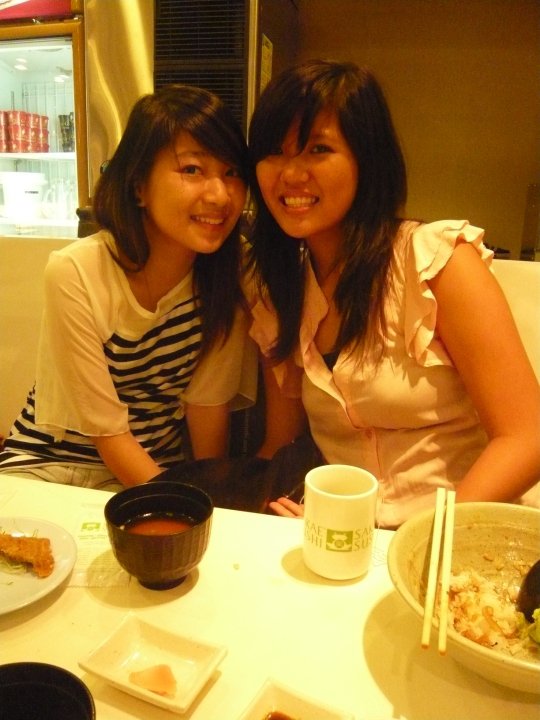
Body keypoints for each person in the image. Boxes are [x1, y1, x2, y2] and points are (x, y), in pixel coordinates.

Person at [245, 59, 540, 528]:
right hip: (345, 537)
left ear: (367, 159)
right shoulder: (278, 291)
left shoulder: (436, 263)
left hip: (463, 532)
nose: (292, 174)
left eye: (318, 149)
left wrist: (421, 540)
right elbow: (281, 442)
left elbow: (527, 438)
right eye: (274, 152)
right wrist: (266, 506)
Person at [0, 84, 256, 491]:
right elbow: (109, 434)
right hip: (49, 461)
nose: (220, 195)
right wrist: (180, 505)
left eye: (232, 173)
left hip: (153, 471)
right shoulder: (76, 271)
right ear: (139, 186)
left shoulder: (233, 268)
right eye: (192, 170)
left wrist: (210, 497)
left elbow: (207, 405)